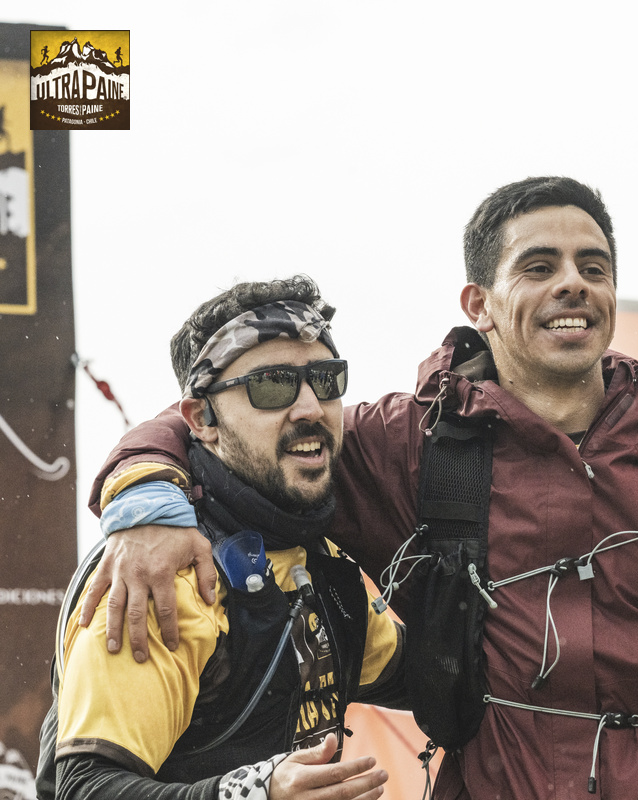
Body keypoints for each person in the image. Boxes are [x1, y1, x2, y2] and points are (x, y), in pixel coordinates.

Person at [82, 178, 638, 799]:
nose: (572, 282)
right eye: (538, 266)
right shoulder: (401, 448)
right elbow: (240, 428)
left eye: (593, 266)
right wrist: (146, 500)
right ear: (479, 303)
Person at [45, 278, 408, 800]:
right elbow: (83, 787)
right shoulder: (161, 577)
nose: (311, 408)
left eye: (326, 379)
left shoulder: (321, 557)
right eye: (272, 385)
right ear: (202, 419)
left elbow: (423, 679)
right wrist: (256, 791)